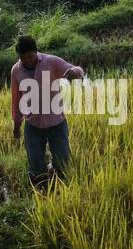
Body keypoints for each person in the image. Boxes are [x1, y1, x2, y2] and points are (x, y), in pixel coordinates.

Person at [10, 34, 84, 188]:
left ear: (36, 51)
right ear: (19, 57)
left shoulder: (51, 61)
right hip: (33, 126)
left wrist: (74, 72)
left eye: (31, 56)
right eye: (24, 58)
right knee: (36, 166)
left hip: (56, 123)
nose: (28, 60)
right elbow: (16, 99)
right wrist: (17, 125)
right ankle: (42, 193)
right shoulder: (16, 71)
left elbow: (77, 70)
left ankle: (60, 192)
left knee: (62, 163)